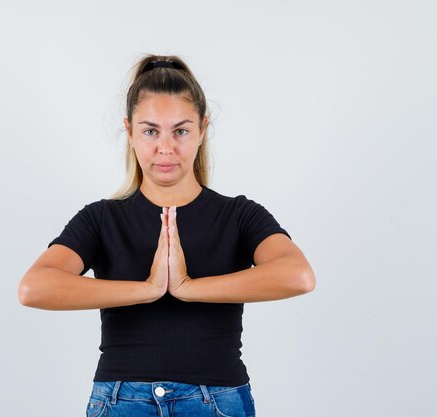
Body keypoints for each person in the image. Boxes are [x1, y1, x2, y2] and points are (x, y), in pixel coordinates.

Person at [18, 54, 316, 417]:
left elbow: (298, 275)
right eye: (150, 131)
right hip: (121, 400)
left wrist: (188, 287)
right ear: (129, 132)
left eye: (181, 130)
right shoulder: (101, 218)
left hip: (216, 401)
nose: (165, 148)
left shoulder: (238, 214)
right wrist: (149, 288)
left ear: (202, 129)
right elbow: (34, 288)